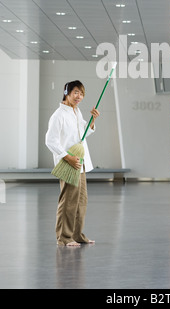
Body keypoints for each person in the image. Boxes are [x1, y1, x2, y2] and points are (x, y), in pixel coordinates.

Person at [45, 80, 100, 247]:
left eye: (82, 93)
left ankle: (77, 234)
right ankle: (64, 237)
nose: (79, 96)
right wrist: (67, 157)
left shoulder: (76, 112)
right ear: (66, 93)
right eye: (76, 92)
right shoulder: (58, 115)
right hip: (69, 163)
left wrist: (92, 121)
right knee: (68, 201)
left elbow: (82, 134)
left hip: (80, 162)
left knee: (81, 200)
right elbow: (50, 141)